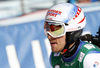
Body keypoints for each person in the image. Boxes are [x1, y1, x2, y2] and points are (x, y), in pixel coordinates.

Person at [44, 3, 100, 68]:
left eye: (56, 30)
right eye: (47, 28)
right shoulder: (55, 57)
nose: (49, 36)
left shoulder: (89, 58)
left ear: (71, 32)